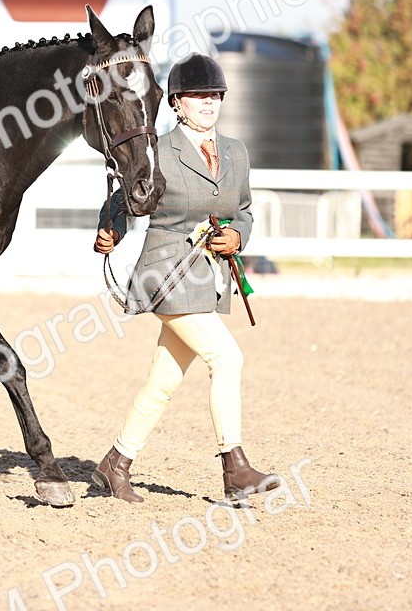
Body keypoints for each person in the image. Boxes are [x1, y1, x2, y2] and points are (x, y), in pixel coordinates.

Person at [90, 53, 279, 503]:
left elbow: (244, 210)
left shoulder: (236, 152)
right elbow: (127, 196)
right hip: (166, 273)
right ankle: (235, 468)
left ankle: (115, 464)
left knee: (164, 380)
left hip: (209, 277)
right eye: (198, 96)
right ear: (177, 103)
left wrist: (238, 235)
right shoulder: (160, 148)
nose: (208, 103)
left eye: (214, 95)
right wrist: (112, 227)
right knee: (226, 358)